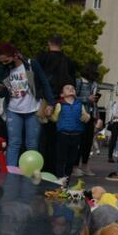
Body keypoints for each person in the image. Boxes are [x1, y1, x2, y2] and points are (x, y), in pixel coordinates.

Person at [0, 42, 55, 168]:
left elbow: (44, 83)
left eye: (6, 60)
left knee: (32, 143)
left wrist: (51, 103)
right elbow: (2, 94)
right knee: (14, 143)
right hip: (13, 109)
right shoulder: (3, 70)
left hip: (33, 109)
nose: (4, 63)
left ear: (15, 55)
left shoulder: (31, 65)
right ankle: (10, 170)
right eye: (2, 62)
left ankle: (31, 171)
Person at [35, 35, 76, 174]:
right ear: (61, 44)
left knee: (42, 137)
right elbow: (72, 84)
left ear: (49, 43)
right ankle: (54, 169)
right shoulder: (68, 61)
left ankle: (40, 166)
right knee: (57, 137)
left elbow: (35, 79)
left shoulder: (41, 58)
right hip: (62, 102)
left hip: (44, 100)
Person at [54, 83, 85, 181]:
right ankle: (60, 178)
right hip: (63, 134)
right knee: (61, 158)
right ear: (62, 94)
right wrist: (48, 115)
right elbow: (54, 118)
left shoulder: (80, 104)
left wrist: (87, 117)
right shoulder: (59, 104)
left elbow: (85, 115)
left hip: (76, 135)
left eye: (73, 88)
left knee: (71, 160)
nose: (71, 89)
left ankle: (67, 180)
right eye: (67, 88)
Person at [106, 94, 118, 163]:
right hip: (116, 123)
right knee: (113, 140)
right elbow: (114, 114)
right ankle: (110, 157)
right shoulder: (116, 105)